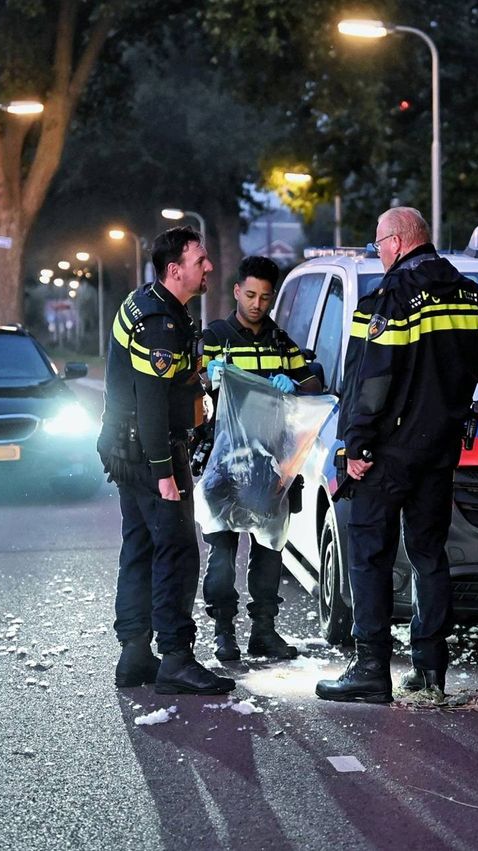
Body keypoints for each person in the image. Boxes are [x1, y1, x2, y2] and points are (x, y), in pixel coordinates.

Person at [315, 207, 478, 704]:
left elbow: (372, 378)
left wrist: (356, 444)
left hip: (389, 450)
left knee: (370, 553)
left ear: (395, 241)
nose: (378, 253)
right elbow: (467, 369)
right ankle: (430, 670)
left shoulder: (391, 296)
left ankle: (371, 668)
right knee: (429, 555)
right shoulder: (469, 293)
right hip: (440, 447)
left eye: (378, 244)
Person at [99, 225, 234, 696]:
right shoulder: (161, 322)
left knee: (139, 548)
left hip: (123, 449)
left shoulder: (143, 302)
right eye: (201, 261)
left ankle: (135, 654)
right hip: (149, 451)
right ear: (175, 270)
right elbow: (152, 401)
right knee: (176, 551)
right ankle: (176, 658)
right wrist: (165, 474)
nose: (209, 268)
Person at [200, 256, 321, 662]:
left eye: (265, 297)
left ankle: (263, 631)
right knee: (221, 555)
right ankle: (223, 633)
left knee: (270, 552)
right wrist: (207, 376)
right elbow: (190, 381)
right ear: (236, 291)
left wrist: (296, 384)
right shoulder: (215, 337)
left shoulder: (281, 342)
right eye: (250, 294)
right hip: (224, 466)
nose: (257, 304)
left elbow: (311, 383)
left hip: (271, 469)